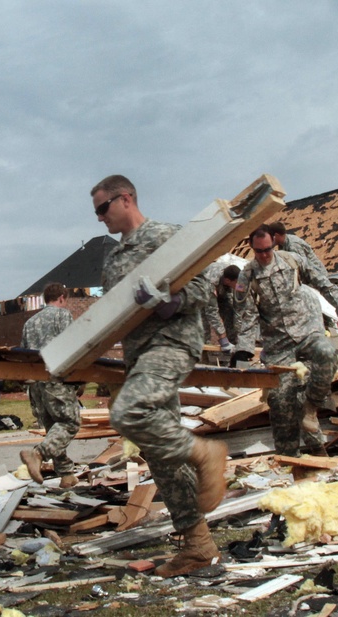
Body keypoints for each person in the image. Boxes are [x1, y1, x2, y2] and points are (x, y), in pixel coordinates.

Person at [91, 175, 227, 577]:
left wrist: (171, 301)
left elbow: (204, 285)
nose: (100, 219)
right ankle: (198, 545)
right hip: (138, 354)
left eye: (103, 208)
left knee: (129, 413)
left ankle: (207, 453)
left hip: (171, 342)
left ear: (126, 198)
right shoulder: (113, 258)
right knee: (162, 454)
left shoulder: (168, 235)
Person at [232, 224, 338, 458]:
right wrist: (243, 350)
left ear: (273, 245)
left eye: (268, 249)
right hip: (278, 343)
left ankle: (311, 406)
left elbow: (323, 283)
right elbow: (246, 316)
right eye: (259, 251)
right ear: (252, 249)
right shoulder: (247, 275)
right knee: (280, 401)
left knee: (327, 354)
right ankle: (288, 458)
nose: (265, 255)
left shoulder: (292, 260)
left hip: (307, 329)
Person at [20, 282, 82, 489]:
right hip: (56, 380)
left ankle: (66, 475)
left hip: (36, 384)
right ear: (62, 298)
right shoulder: (62, 316)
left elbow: (23, 354)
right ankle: (37, 454)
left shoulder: (29, 323)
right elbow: (71, 347)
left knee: (53, 429)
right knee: (68, 423)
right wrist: (79, 379)